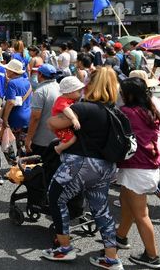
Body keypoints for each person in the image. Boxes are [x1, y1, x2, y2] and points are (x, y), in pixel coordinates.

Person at [43, 66, 121, 268]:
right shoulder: (114, 111)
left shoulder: (83, 108)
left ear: (92, 85)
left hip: (80, 164)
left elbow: (53, 123)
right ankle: (111, 258)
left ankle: (64, 248)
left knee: (56, 198)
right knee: (101, 209)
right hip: (105, 167)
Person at [112, 77, 160, 268]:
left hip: (137, 167)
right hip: (146, 165)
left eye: (122, 92)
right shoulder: (150, 109)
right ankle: (120, 237)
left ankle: (152, 257)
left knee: (141, 214)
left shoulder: (127, 112)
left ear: (129, 94)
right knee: (127, 205)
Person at [25, 64, 59, 156]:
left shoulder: (40, 91)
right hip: (58, 138)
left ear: (40, 74)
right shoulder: (60, 87)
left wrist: (28, 139)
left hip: (41, 140)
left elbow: (35, 117)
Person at [0, 59, 32, 158]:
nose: (6, 71)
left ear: (12, 71)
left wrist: (5, 119)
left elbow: (11, 102)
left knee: (5, 141)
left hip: (16, 118)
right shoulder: (27, 81)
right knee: (22, 144)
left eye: (8, 69)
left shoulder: (12, 83)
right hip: (27, 116)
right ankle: (23, 163)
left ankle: (13, 162)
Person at [52, 76, 84, 154]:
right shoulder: (61, 101)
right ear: (70, 92)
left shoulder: (69, 99)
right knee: (72, 139)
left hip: (63, 125)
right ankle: (58, 148)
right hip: (61, 127)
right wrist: (73, 119)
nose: (80, 94)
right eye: (79, 91)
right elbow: (66, 109)